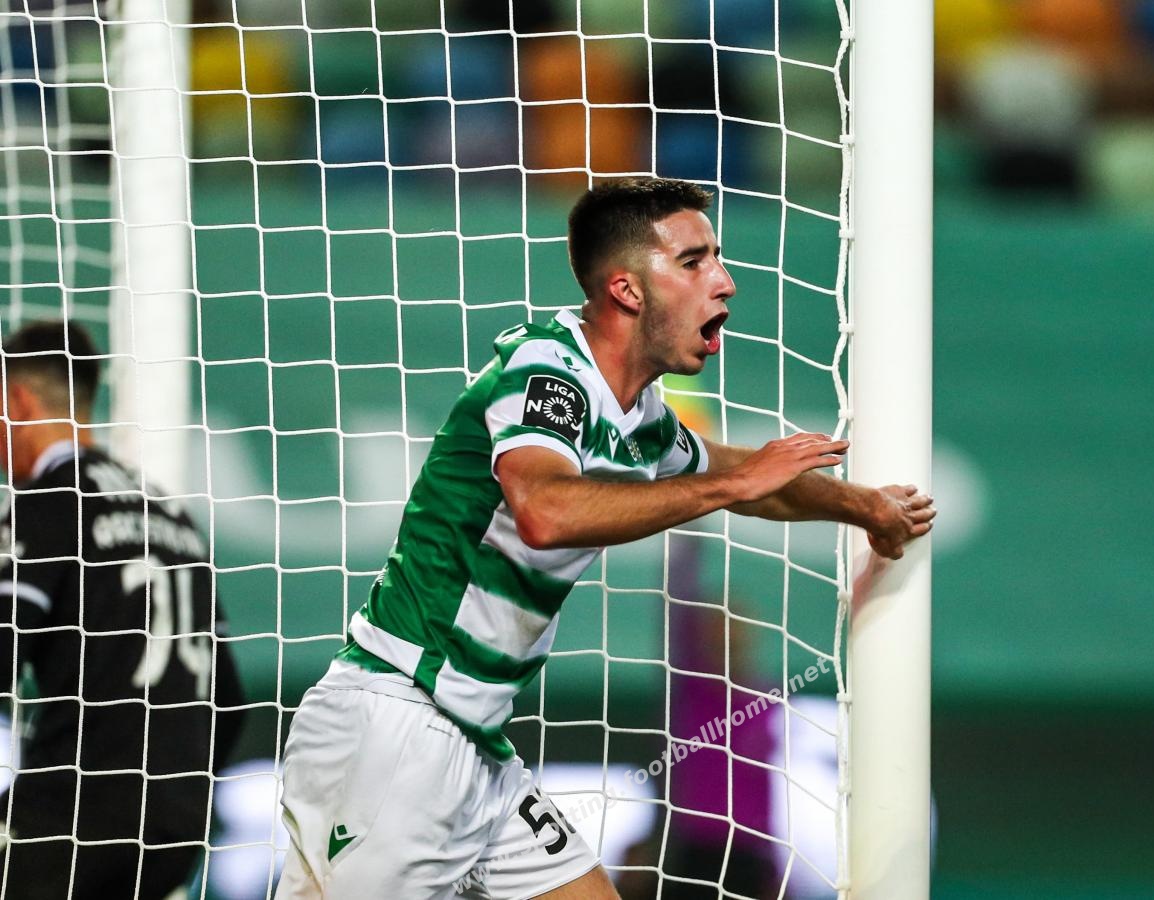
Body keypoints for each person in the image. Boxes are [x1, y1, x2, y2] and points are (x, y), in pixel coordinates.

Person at [277, 176, 935, 899]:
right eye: (694, 262)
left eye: (717, 259)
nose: (725, 281)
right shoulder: (547, 369)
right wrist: (734, 486)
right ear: (626, 289)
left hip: (476, 746)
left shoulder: (635, 413)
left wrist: (864, 507)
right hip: (397, 728)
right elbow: (545, 510)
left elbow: (749, 478)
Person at [0, 320, 245, 900]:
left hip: (71, 816)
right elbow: (230, 701)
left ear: (19, 401)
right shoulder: (171, 513)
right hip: (176, 828)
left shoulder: (48, 501)